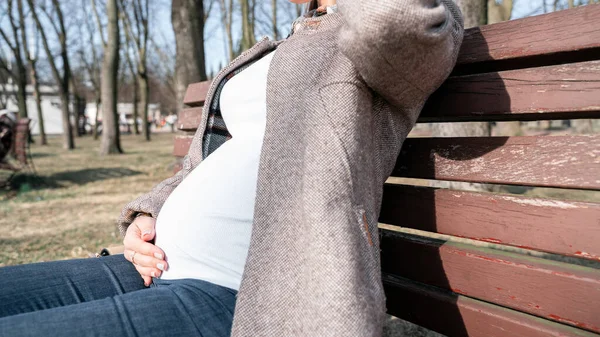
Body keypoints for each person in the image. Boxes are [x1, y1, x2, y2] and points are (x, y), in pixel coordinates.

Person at [0, 0, 464, 336]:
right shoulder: (290, 40)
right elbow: (207, 160)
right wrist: (149, 214)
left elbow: (386, 22)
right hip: (155, 267)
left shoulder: (418, 25)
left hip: (240, 298)